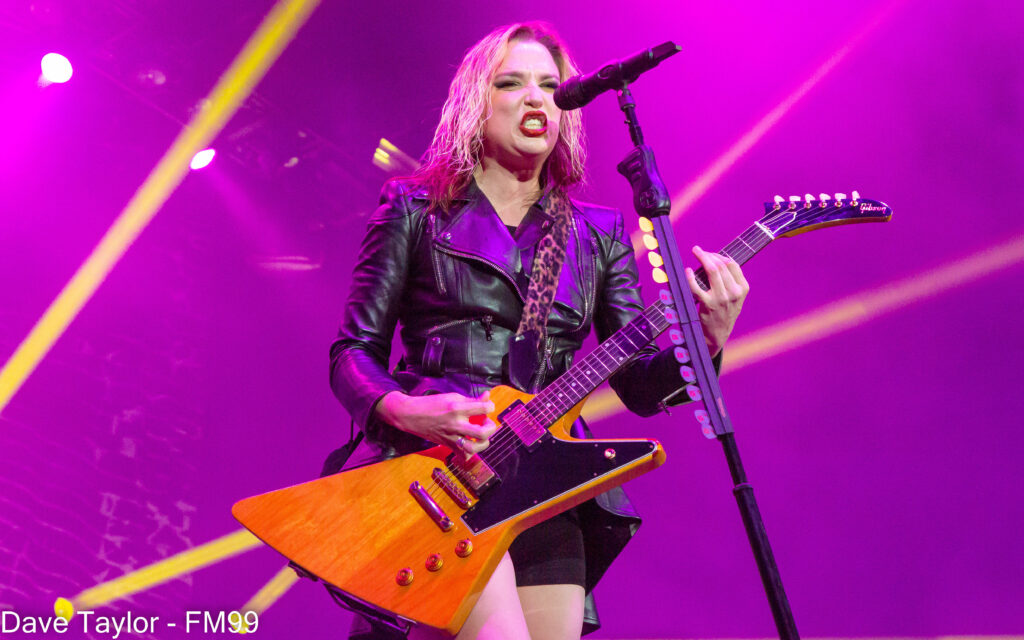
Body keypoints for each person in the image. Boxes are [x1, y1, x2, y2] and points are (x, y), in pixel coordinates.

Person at [325, 21, 749, 640]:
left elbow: (638, 386)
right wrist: (407, 410)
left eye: (551, 86)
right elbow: (351, 352)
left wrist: (708, 341)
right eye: (511, 83)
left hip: (546, 483)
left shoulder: (597, 234)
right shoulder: (414, 209)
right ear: (476, 101)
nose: (536, 99)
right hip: (436, 473)